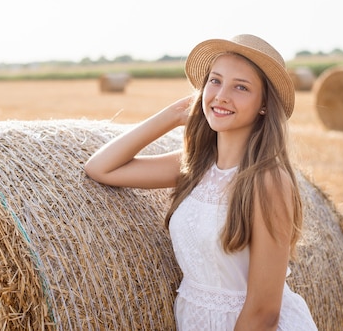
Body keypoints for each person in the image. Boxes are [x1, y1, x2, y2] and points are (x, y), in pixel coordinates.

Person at [84, 34, 317, 330]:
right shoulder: (193, 166)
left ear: (264, 105)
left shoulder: (267, 181)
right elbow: (100, 167)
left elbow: (263, 312)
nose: (221, 95)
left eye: (241, 87)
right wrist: (172, 115)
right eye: (215, 81)